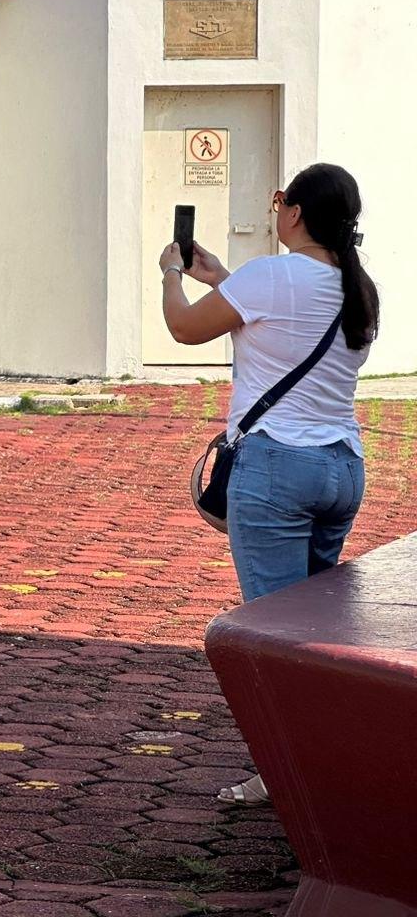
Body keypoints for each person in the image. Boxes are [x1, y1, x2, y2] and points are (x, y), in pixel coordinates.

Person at [159, 162, 379, 805]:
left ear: (298, 212)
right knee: (314, 631)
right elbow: (283, 332)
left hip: (278, 469)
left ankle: (290, 776)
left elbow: (183, 327)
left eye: (280, 199)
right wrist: (222, 280)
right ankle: (324, 759)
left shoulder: (272, 276)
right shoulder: (356, 288)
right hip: (340, 468)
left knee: (275, 638)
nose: (275, 209)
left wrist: (174, 272)